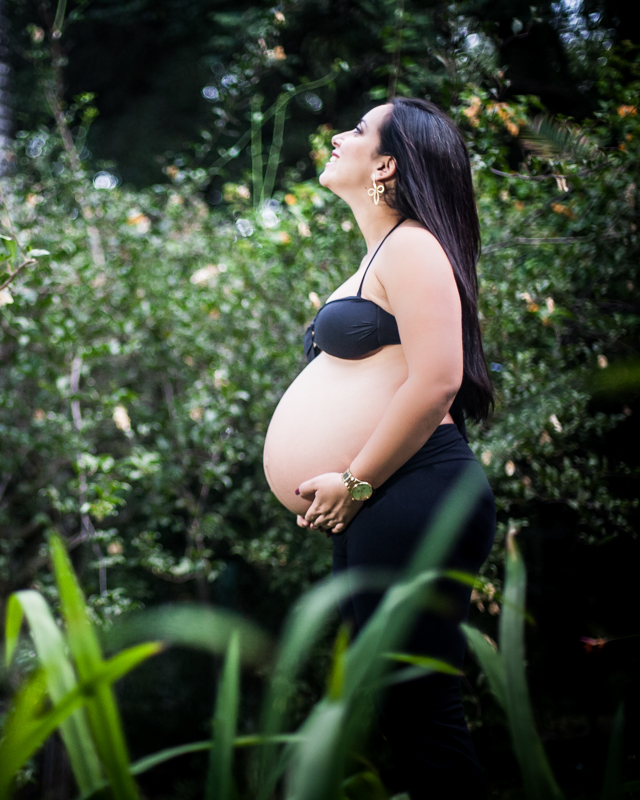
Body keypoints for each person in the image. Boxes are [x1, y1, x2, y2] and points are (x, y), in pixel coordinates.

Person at [261, 97, 497, 798]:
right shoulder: (383, 253)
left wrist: (357, 480)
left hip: (411, 488)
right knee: (401, 708)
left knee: (420, 709)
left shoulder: (415, 246)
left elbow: (437, 381)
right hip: (382, 501)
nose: (339, 136)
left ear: (387, 164)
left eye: (359, 130)